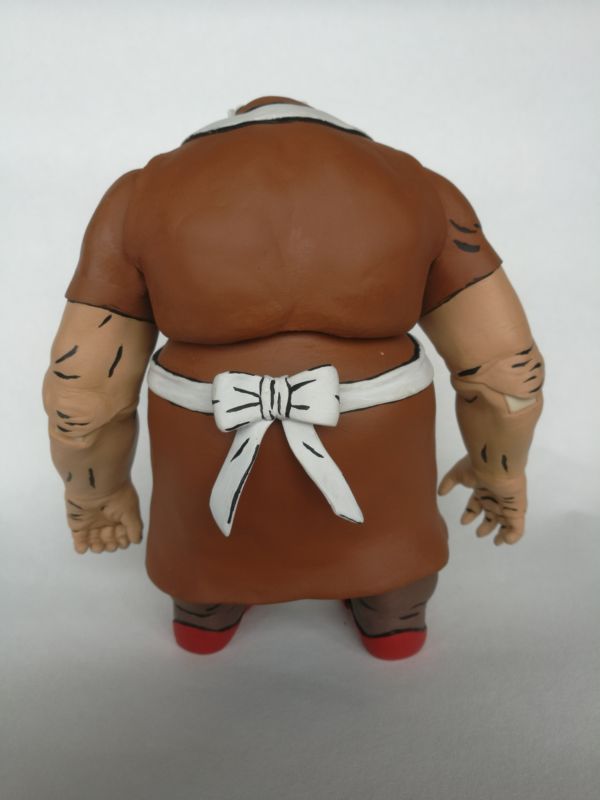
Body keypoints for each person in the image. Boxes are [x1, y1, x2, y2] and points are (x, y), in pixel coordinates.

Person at [42, 96, 545, 660]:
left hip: (204, 457)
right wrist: (498, 470)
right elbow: (505, 374)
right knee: (393, 565)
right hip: (381, 463)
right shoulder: (420, 186)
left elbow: (84, 390)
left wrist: (95, 492)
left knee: (205, 568)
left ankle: (205, 612)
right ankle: (394, 613)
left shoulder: (139, 195)